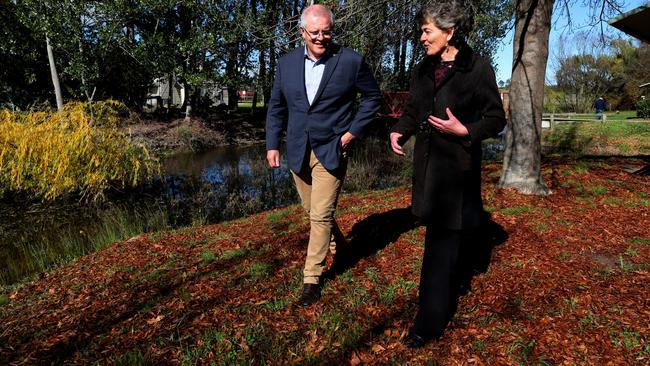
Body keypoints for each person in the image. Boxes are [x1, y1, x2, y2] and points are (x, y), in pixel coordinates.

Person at [389, 0, 506, 348]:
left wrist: (464, 130)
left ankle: (428, 323)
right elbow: (414, 109)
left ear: (449, 31)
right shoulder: (424, 68)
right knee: (443, 242)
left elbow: (496, 119)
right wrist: (400, 130)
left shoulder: (478, 69)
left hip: (456, 174)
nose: (422, 38)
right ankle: (445, 290)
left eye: (427, 31)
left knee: (438, 247)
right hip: (427, 171)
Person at [265, 4, 381, 307]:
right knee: (311, 209)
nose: (320, 37)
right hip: (297, 150)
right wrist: (272, 144)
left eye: (326, 31)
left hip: (332, 148)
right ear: (302, 32)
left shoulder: (351, 61)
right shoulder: (286, 63)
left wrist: (351, 134)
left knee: (319, 215)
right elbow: (276, 106)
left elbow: (372, 98)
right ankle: (337, 243)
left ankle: (311, 280)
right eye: (314, 32)